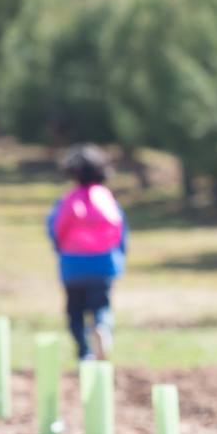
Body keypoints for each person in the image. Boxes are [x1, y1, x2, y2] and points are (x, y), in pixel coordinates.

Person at [47, 144, 127, 360]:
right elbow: (120, 233)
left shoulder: (67, 201)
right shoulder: (107, 199)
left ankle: (84, 351)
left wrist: (61, 252)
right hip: (103, 263)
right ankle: (102, 329)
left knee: (75, 312)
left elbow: (55, 231)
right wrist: (119, 259)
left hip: (73, 264)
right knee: (101, 305)